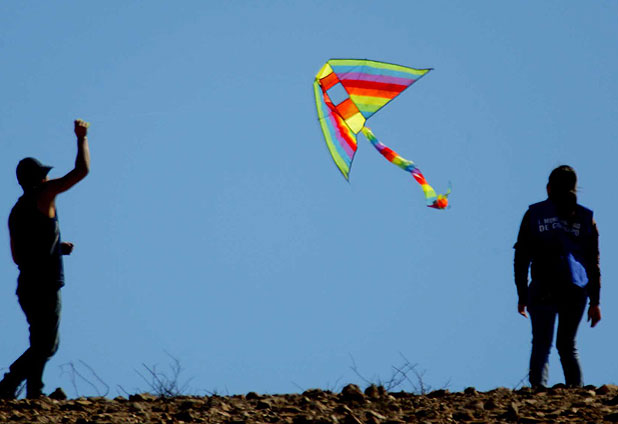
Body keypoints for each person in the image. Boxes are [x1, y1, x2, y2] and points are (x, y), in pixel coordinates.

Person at [0, 120, 90, 399]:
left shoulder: (16, 211)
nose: (50, 179)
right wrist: (82, 138)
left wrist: (55, 248)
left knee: (40, 342)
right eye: (45, 176)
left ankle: (33, 394)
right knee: (47, 345)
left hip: (26, 285)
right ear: (39, 180)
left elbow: (18, 255)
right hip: (45, 285)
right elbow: (81, 172)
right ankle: (9, 383)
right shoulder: (44, 195)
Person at [514, 165, 601, 389]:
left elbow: (521, 258)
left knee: (541, 344)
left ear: (549, 188)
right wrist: (595, 302)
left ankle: (538, 390)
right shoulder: (586, 218)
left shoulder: (534, 214)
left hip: (543, 285)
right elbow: (593, 264)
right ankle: (578, 393)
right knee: (568, 345)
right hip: (576, 288)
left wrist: (522, 295)